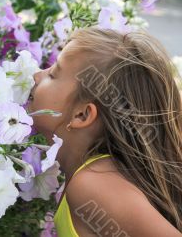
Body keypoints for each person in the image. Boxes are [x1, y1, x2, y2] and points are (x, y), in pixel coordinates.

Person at [28, 27, 182, 236]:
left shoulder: (93, 184)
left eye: (53, 74)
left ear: (81, 115)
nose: (37, 76)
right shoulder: (93, 176)